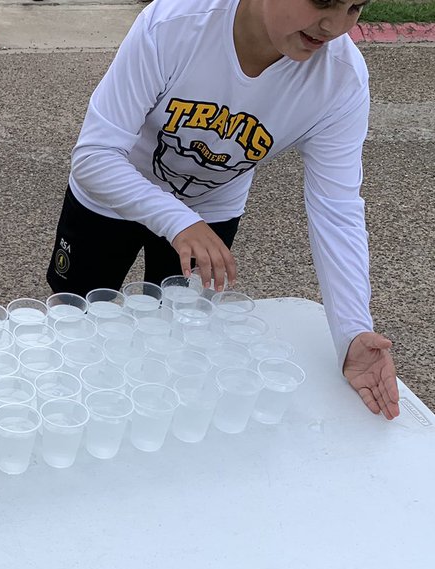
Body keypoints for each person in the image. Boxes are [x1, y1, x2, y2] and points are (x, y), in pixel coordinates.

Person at [46, 0, 400, 419]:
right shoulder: (173, 24)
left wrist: (353, 332)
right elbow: (94, 157)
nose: (334, 25)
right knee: (76, 325)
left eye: (354, 7)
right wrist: (177, 219)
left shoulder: (339, 79)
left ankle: (152, 425)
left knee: (179, 339)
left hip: (210, 211)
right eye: (322, 1)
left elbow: (337, 210)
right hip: (112, 195)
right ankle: (69, 412)